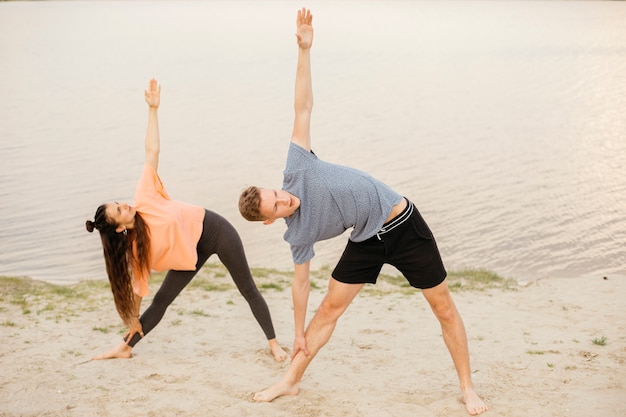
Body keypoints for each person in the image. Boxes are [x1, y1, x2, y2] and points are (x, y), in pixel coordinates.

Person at [238, 8, 488, 415]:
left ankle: (467, 387)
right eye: (277, 206)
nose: (285, 199)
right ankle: (289, 382)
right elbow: (300, 283)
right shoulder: (296, 234)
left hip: (403, 223)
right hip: (366, 238)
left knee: (442, 306)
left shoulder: (297, 168)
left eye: (277, 193)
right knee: (328, 310)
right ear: (271, 219)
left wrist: (305, 51)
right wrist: (297, 332)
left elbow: (302, 108)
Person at [86, 79, 287, 362]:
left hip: (214, 230)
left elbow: (151, 152)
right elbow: (139, 290)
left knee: (247, 289)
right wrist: (132, 322)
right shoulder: (135, 249)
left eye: (120, 203)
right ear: (119, 227)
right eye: (120, 210)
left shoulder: (144, 196)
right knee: (161, 301)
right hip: (190, 256)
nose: (126, 205)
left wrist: (153, 110)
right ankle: (125, 348)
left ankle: (274, 344)